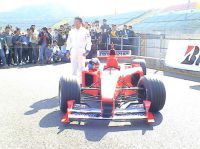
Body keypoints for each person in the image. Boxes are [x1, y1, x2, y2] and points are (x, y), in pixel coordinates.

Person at [66, 17, 92, 82]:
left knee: (81, 67)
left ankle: (81, 83)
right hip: (73, 50)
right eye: (74, 22)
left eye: (76, 22)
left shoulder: (85, 31)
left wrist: (87, 50)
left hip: (81, 50)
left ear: (80, 23)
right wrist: (67, 51)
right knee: (73, 66)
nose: (75, 23)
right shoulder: (71, 31)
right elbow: (68, 42)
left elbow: (89, 42)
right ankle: (73, 83)